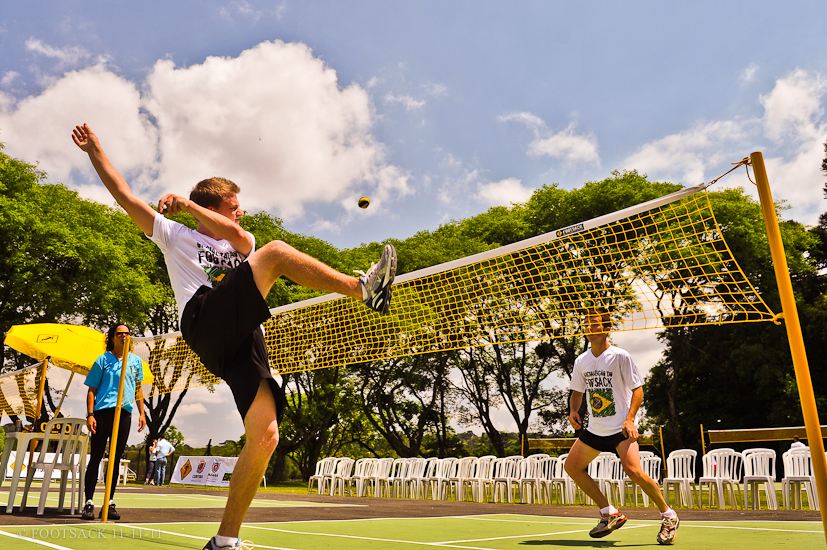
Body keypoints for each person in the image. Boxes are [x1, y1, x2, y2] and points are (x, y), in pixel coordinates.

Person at [73, 124, 396, 549]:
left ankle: (225, 540)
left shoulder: (242, 243)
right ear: (216, 206)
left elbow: (244, 239)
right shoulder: (174, 235)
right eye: (234, 205)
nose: (241, 212)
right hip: (204, 317)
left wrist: (187, 203)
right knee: (279, 253)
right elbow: (124, 195)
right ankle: (362, 289)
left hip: (243, 340)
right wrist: (96, 150)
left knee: (266, 437)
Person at [565, 309, 679, 545]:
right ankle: (609, 512)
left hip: (620, 429)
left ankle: (669, 516)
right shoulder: (582, 361)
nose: (589, 327)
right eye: (586, 324)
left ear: (606, 328)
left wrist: (630, 420)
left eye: (594, 323)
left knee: (634, 472)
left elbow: (638, 390)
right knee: (572, 467)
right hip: (595, 429)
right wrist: (574, 410)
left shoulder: (620, 356)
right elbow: (577, 391)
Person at [82, 323, 146, 520]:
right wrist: (90, 414)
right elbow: (91, 389)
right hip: (102, 412)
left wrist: (142, 413)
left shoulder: (135, 361)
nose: (124, 336)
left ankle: (108, 502)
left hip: (124, 412)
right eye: (120, 333)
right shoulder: (103, 360)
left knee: (116, 459)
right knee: (96, 456)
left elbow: (138, 389)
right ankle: (89, 503)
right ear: (112, 337)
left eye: (127, 333)